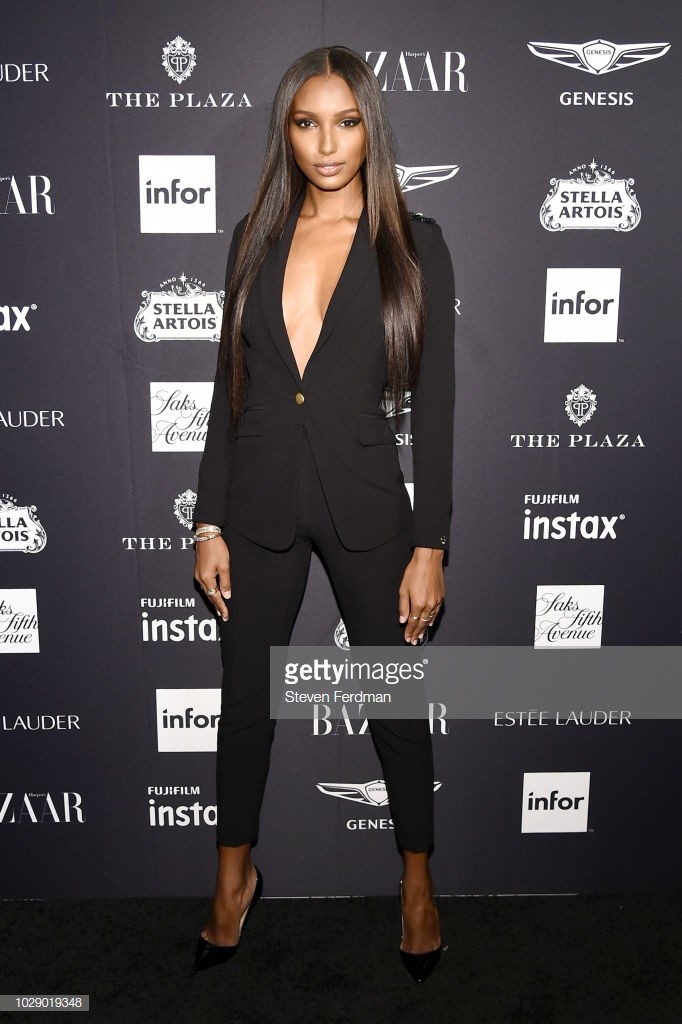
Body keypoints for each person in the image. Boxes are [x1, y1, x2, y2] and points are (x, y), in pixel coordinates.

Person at [192, 45, 455, 983]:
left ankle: (417, 885)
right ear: (288, 133)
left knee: (395, 705)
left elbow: (439, 401)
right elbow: (229, 390)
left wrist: (431, 543)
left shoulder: (413, 241)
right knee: (245, 702)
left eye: (346, 122)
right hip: (258, 501)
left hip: (368, 502)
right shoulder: (252, 238)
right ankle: (233, 879)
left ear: (369, 128)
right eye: (308, 123)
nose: (328, 143)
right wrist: (207, 521)